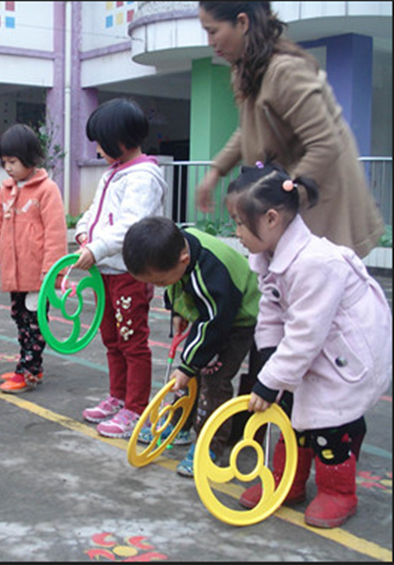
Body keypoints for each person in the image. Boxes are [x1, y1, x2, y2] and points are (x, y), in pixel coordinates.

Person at [224, 163, 392, 529]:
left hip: (347, 353)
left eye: (239, 222)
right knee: (287, 410)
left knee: (329, 422)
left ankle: (338, 492)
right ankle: (289, 482)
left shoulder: (317, 263)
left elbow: (306, 333)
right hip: (314, 346)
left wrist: (273, 378)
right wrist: (269, 361)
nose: (235, 232)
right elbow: (269, 312)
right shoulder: (267, 256)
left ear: (270, 219)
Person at [195, 1, 385, 260]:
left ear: (242, 22)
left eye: (213, 30)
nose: (209, 41)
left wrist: (283, 196)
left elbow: (325, 143)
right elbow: (249, 129)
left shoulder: (285, 71)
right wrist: (217, 170)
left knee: (317, 290)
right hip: (290, 208)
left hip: (321, 206)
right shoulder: (246, 70)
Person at [122, 216, 260, 476]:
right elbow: (178, 285)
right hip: (208, 314)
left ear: (183, 260)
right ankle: (180, 426)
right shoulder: (174, 247)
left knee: (213, 379)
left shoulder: (210, 274)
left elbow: (214, 325)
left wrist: (189, 365)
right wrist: (178, 310)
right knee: (185, 374)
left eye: (160, 282)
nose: (158, 287)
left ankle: (210, 445)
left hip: (236, 318)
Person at [73, 98, 167, 439]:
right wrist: (83, 232)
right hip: (106, 272)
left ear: (121, 142)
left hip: (129, 272)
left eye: (101, 143)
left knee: (132, 340)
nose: (97, 150)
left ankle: (136, 408)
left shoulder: (144, 176)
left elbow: (131, 225)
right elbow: (93, 211)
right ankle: (118, 396)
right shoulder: (113, 173)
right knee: (111, 338)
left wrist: (96, 249)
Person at [0, 124, 68, 394]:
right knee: (20, 318)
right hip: (14, 276)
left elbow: (55, 234)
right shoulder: (5, 191)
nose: (7, 168)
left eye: (13, 162)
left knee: (34, 323)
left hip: (38, 278)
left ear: (30, 158)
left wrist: (52, 274)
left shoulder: (47, 190)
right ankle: (31, 366)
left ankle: (27, 370)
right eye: (4, 162)